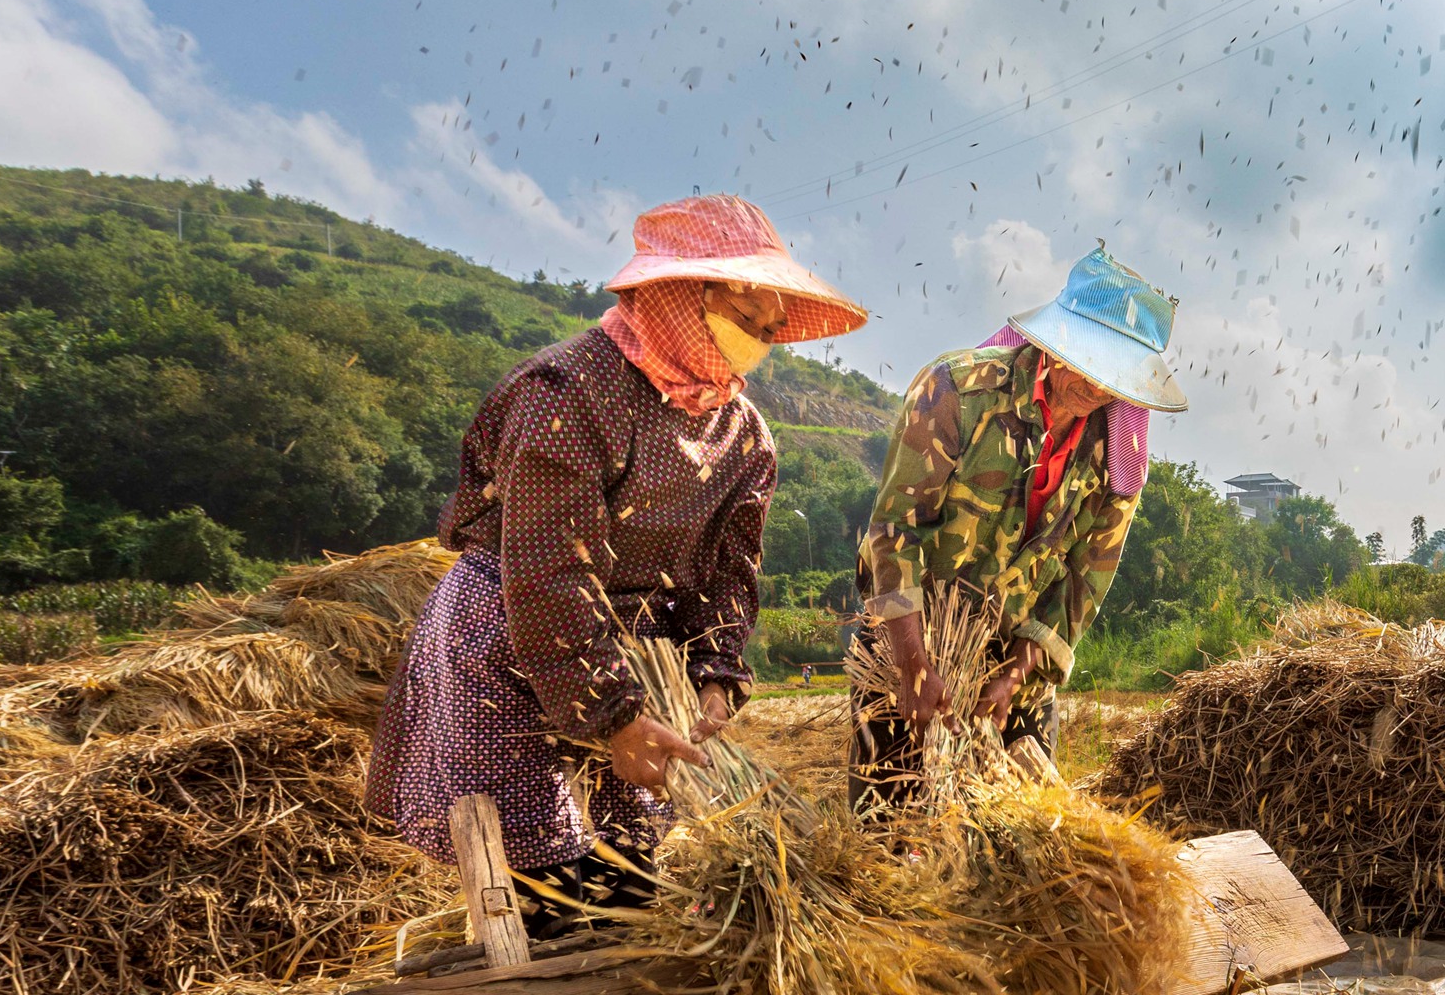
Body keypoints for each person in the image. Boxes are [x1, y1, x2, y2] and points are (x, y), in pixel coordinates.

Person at [369, 196, 865, 931]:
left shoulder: (745, 434)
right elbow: (549, 571)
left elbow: (727, 569)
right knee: (547, 878)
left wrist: (717, 673)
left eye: (770, 332)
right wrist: (616, 717)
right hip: (513, 633)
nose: (761, 341)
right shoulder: (569, 391)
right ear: (683, 297)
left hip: (634, 650)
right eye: (749, 319)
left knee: (634, 876)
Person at [848, 244, 1185, 814]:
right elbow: (896, 534)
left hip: (1013, 670)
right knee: (894, 845)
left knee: (1023, 853)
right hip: (910, 646)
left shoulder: (1118, 459)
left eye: (1117, 377)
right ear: (1057, 342)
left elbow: (1081, 586)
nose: (1098, 387)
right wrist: (913, 663)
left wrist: (1016, 672)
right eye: (1088, 361)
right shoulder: (956, 392)